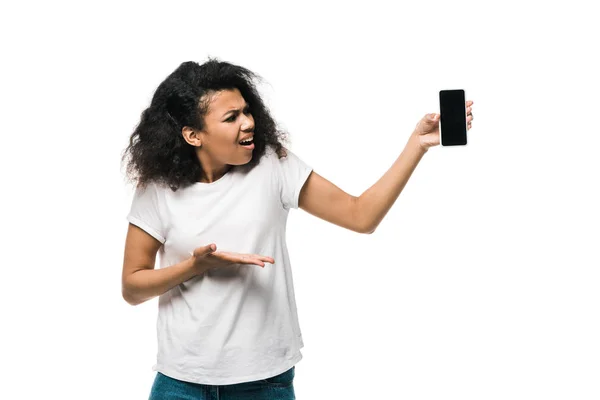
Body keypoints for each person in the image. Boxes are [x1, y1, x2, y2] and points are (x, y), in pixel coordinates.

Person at [120, 57, 474, 400]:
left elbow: (361, 215)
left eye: (246, 111)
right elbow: (132, 288)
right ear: (193, 135)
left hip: (263, 382)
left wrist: (418, 145)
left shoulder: (273, 165)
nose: (248, 123)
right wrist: (195, 267)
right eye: (231, 117)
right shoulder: (157, 189)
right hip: (181, 383)